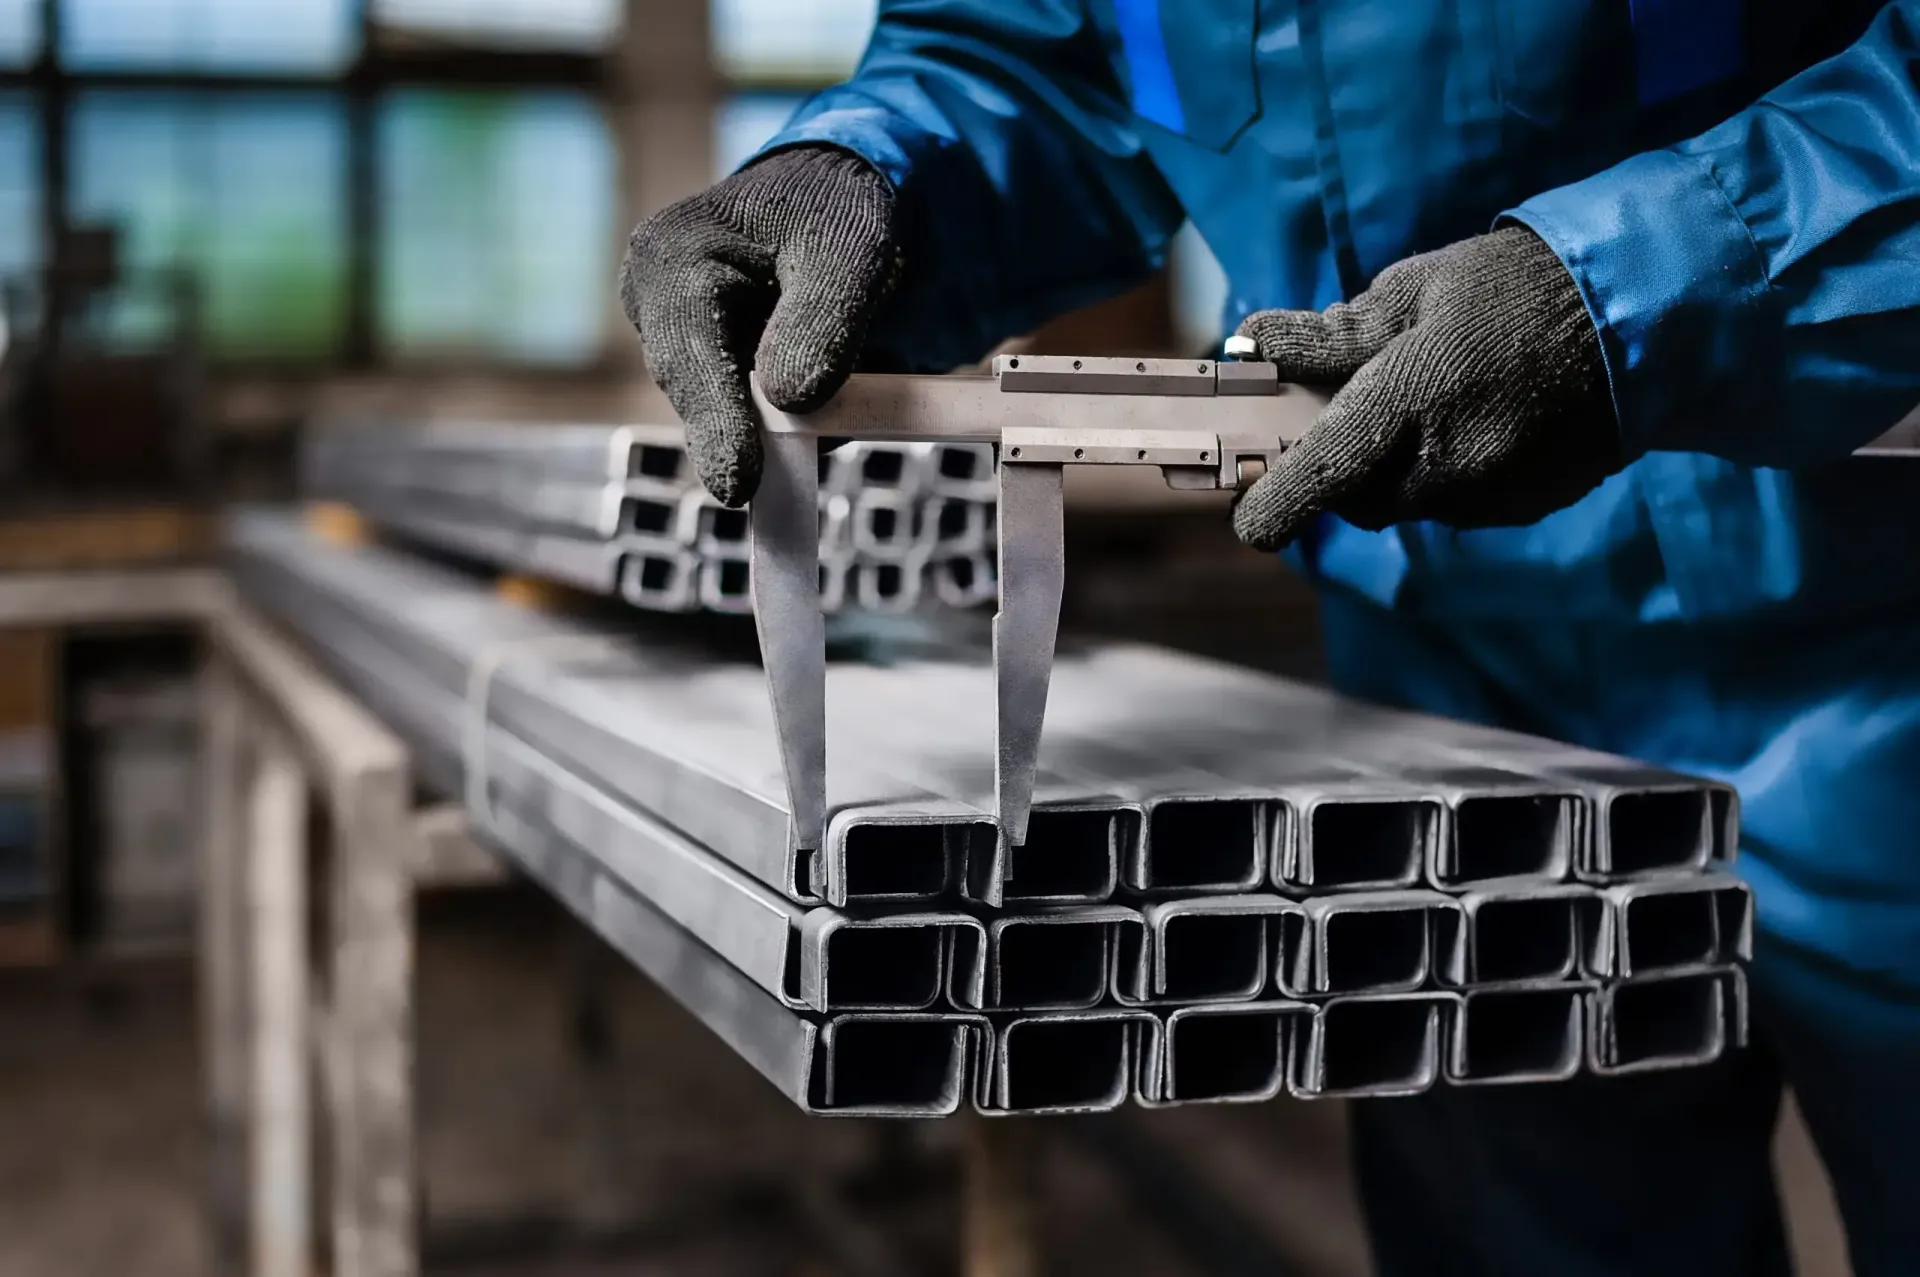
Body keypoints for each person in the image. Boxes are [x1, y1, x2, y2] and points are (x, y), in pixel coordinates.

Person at [622, 3, 1920, 1272]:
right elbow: (1035, 54)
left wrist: (1637, 289)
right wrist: (863, 171)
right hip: (1444, 678)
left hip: (1877, 606)